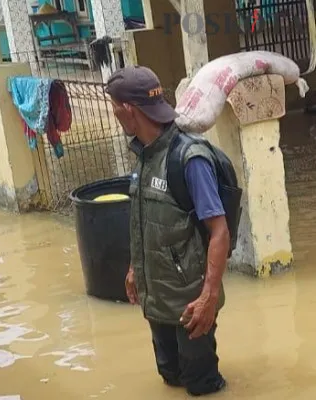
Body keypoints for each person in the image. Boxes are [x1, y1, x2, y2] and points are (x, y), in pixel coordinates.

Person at [105, 66, 229, 396]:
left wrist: (208, 297)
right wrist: (135, 268)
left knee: (201, 386)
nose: (114, 113)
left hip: (191, 302)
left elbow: (219, 231)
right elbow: (146, 219)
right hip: (156, 297)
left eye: (114, 107)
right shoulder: (144, 154)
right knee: (170, 376)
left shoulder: (189, 159)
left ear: (128, 110)